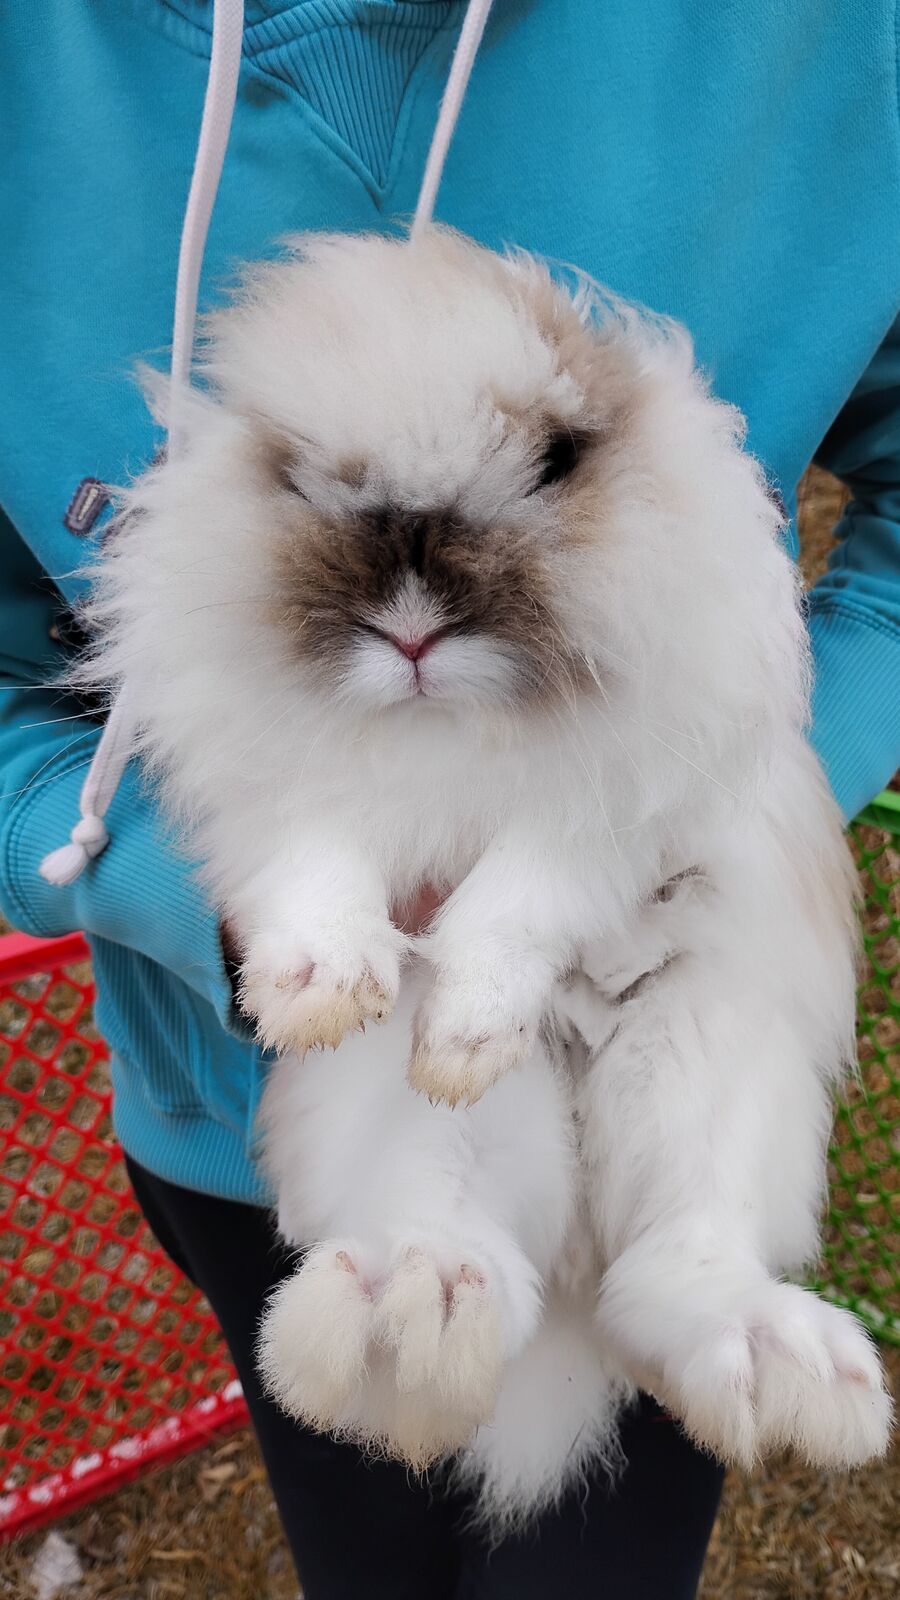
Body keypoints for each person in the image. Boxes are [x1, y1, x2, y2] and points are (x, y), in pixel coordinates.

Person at [2, 3, 898, 1595]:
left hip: (671, 936)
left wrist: (725, 802)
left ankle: (693, 1263)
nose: (416, 611)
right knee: (375, 1486)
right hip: (246, 1102)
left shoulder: (829, 46)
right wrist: (227, 895)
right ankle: (433, 1249)